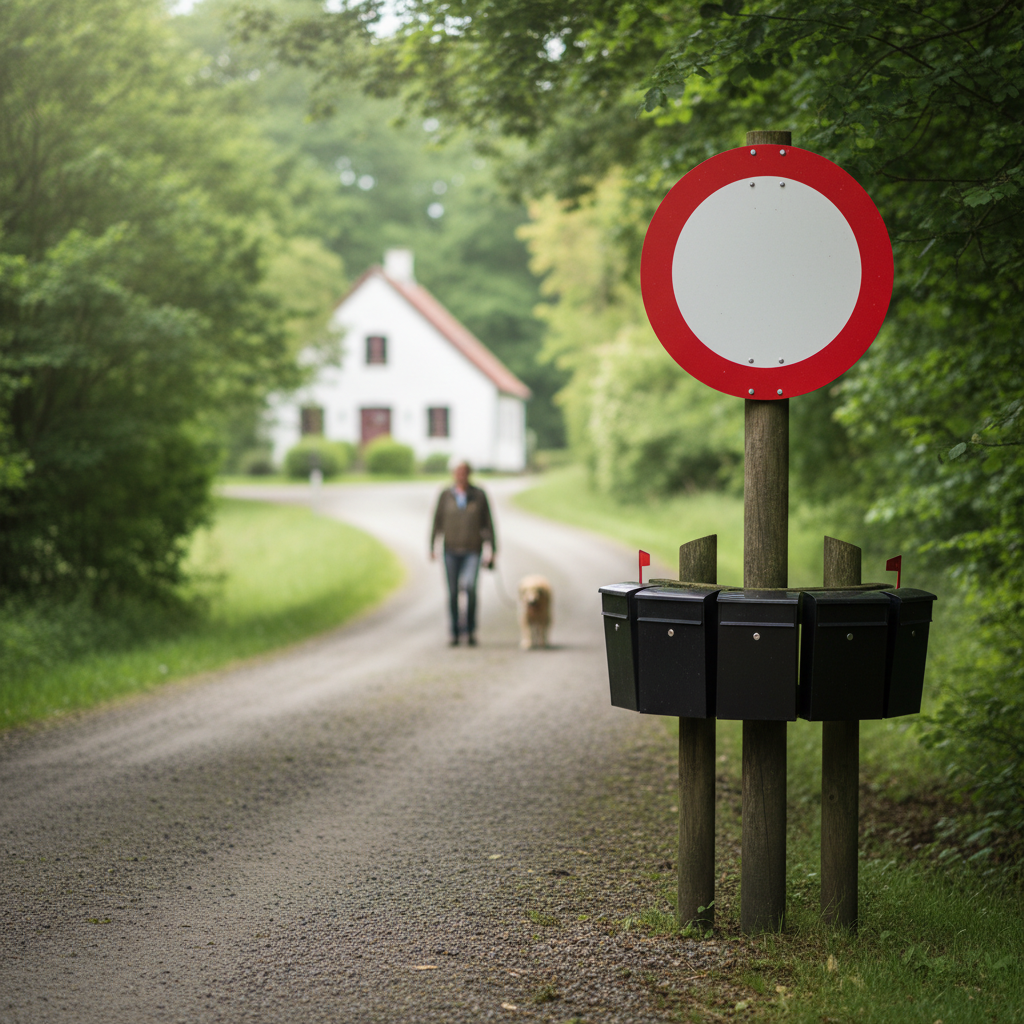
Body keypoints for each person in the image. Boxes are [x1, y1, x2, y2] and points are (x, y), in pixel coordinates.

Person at [429, 461, 496, 646]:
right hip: (450, 551)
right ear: (453, 474)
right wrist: (431, 545)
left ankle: (471, 629)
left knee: (470, 588)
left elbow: (488, 523)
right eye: (458, 472)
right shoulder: (445, 495)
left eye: (464, 472)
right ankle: (455, 632)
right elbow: (437, 520)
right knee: (452, 593)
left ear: (469, 474)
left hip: (472, 551)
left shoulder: (479, 495)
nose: (461, 475)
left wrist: (492, 549)